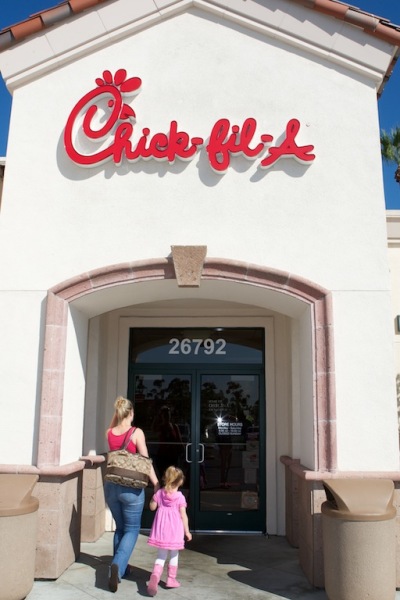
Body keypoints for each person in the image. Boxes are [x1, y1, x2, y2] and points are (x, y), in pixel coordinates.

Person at [105, 396, 159, 593]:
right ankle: (117, 566)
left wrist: (117, 413)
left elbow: (112, 425)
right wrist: (156, 483)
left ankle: (121, 567)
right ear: (131, 413)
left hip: (111, 487)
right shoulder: (137, 433)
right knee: (132, 529)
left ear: (118, 413)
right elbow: (145, 461)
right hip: (131, 489)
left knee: (120, 528)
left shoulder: (110, 433)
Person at [146, 466, 192, 596]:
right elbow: (183, 515)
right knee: (174, 555)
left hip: (161, 530)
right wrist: (187, 531)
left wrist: (154, 496)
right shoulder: (180, 497)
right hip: (175, 531)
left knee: (161, 556)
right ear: (180, 482)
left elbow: (152, 507)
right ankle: (171, 579)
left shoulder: (160, 493)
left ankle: (155, 575)